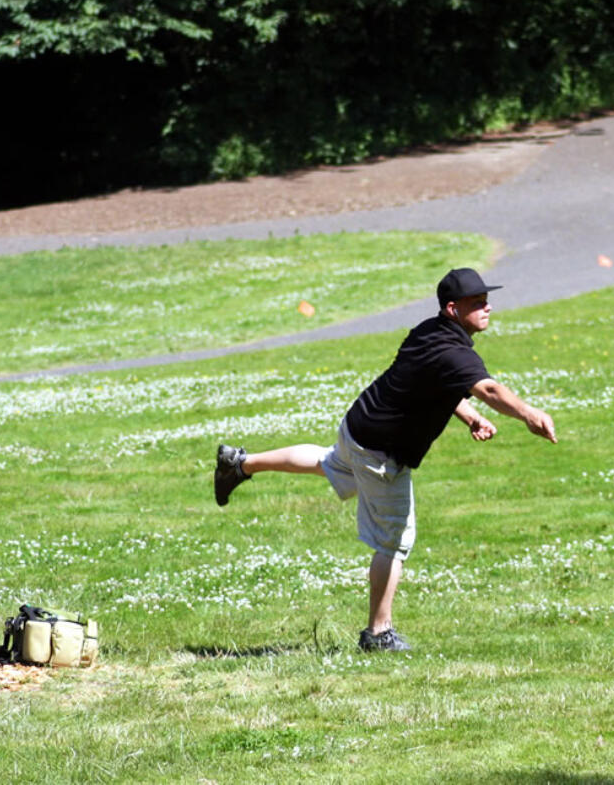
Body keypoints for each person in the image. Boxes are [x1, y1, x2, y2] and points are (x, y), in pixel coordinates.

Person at [213, 268, 558, 652]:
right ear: (452, 308)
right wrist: (528, 413)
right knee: (394, 540)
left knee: (328, 462)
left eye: (486, 300)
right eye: (477, 303)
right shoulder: (451, 349)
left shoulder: (429, 331)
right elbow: (488, 388)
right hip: (380, 451)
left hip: (360, 424)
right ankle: (378, 634)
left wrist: (469, 415)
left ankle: (240, 463)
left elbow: (439, 384)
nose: (487, 307)